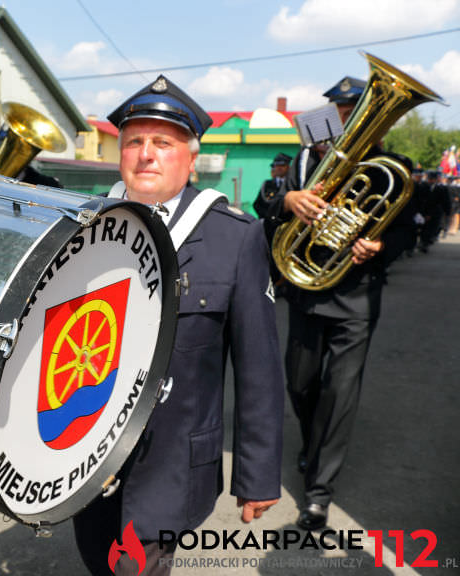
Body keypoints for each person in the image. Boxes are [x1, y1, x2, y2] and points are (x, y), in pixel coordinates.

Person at [71, 75, 284, 576]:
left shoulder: (234, 238)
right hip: (84, 457)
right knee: (96, 561)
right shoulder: (83, 227)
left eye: (162, 143)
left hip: (169, 466)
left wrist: (257, 476)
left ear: (191, 160)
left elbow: (259, 370)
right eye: (134, 142)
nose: (146, 154)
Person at [263, 76, 409, 531]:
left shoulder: (392, 165)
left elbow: (404, 229)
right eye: (342, 111)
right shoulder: (307, 160)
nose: (347, 117)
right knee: (302, 385)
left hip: (356, 298)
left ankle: (319, 495)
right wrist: (287, 198)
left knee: (340, 393)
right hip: (308, 290)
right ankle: (313, 444)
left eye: (355, 109)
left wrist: (380, 247)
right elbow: (264, 203)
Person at [253, 152, 291, 219]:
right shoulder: (267, 184)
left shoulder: (292, 184)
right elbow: (257, 205)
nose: (279, 168)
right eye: (277, 165)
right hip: (269, 224)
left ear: (288, 167)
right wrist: (268, 217)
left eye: (282, 165)